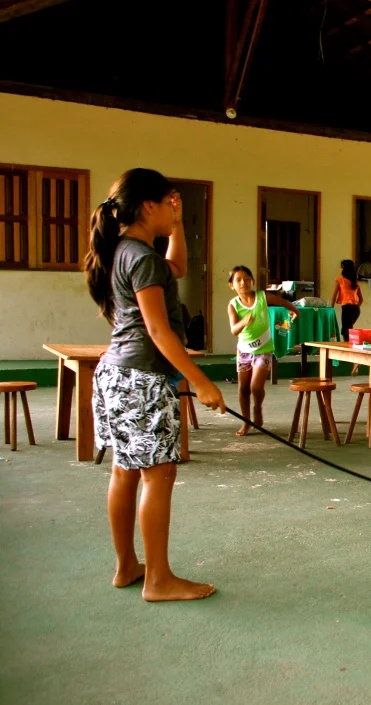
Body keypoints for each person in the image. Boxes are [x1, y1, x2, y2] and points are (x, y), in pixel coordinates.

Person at [84, 168, 226, 602]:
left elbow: (177, 267)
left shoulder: (125, 250)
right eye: (168, 204)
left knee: (125, 470)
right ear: (148, 206)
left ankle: (128, 566)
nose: (172, 209)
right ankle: (158, 580)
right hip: (142, 379)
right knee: (159, 473)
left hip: (117, 374)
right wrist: (200, 381)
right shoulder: (141, 257)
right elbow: (159, 331)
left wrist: (177, 225)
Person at [227, 266, 298, 436]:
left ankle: (257, 408)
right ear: (232, 285)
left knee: (255, 387)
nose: (243, 282)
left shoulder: (262, 297)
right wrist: (243, 322)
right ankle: (246, 421)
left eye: (247, 279)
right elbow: (234, 329)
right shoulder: (233, 305)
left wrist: (294, 311)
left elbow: (283, 302)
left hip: (264, 349)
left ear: (252, 281)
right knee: (243, 388)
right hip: (244, 351)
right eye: (238, 280)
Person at [331, 259, 362, 340]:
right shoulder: (355, 282)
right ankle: (350, 345)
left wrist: (331, 308)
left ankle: (348, 346)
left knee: (346, 332)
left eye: (341, 267)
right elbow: (361, 299)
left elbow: (334, 296)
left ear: (344, 268)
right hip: (356, 309)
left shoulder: (340, 280)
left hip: (347, 309)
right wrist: (355, 307)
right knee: (348, 330)